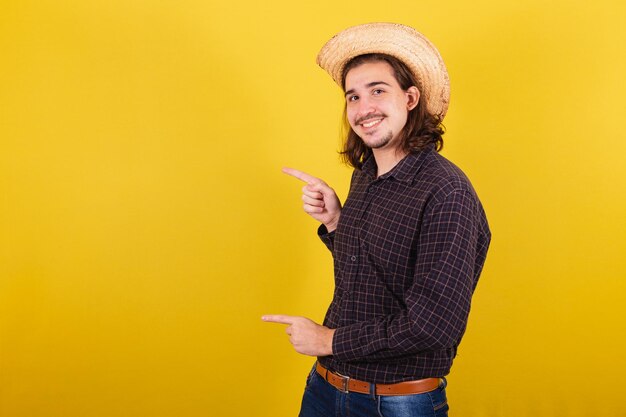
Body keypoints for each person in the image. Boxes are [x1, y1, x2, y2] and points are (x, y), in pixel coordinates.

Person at [262, 22, 491, 417]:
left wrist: (328, 340)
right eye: (353, 96)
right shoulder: (366, 174)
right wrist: (336, 222)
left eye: (378, 91)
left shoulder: (446, 192)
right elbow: (370, 276)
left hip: (397, 402)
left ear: (411, 98)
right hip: (325, 388)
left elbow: (433, 324)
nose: (363, 108)